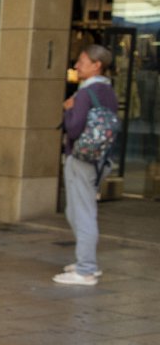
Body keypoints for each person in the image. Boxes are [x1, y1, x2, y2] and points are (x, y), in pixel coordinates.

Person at [55, 44, 117, 286]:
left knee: (83, 213)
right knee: (78, 211)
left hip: (81, 159)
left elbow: (73, 128)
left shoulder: (84, 94)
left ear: (96, 65)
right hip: (101, 159)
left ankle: (86, 269)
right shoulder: (108, 91)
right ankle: (86, 260)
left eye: (82, 61)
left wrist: (68, 110)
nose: (77, 66)